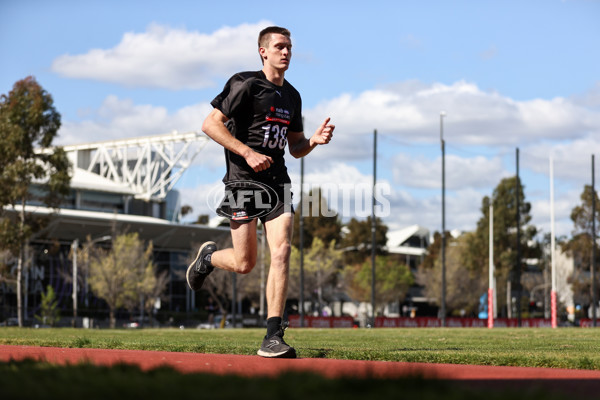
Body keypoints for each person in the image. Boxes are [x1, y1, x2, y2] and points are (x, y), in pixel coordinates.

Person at [186, 26, 334, 358]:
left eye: (290, 48)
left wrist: (313, 141)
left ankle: (272, 336)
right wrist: (247, 152)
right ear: (263, 51)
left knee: (281, 253)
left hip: (278, 181)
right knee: (244, 263)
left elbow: (295, 147)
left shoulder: (292, 96)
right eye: (280, 47)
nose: (286, 52)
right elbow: (210, 124)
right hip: (242, 181)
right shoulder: (245, 84)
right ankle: (208, 259)